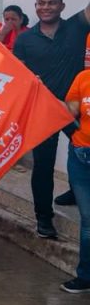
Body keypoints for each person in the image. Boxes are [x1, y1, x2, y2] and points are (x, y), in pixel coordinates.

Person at [13, 0, 90, 239]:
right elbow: (17, 75)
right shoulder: (25, 39)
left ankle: (76, 192)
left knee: (83, 156)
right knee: (43, 167)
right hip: (43, 111)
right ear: (36, 6)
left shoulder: (77, 27)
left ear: (62, 6)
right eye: (41, 3)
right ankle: (44, 218)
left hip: (75, 109)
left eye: (51, 3)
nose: (46, 7)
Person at [62, 66, 90, 293]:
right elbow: (71, 110)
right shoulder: (83, 77)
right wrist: (40, 90)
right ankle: (85, 277)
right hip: (80, 156)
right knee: (88, 219)